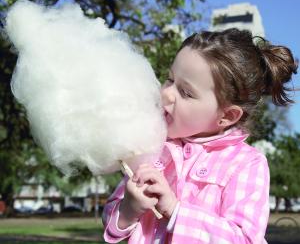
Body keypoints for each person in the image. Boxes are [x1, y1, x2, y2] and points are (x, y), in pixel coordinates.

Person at [102, 28, 297, 243]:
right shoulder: (151, 145)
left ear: (227, 115)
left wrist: (176, 211)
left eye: (186, 92)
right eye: (169, 79)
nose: (166, 93)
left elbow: (244, 238)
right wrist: (128, 209)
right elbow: (112, 222)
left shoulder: (247, 164)